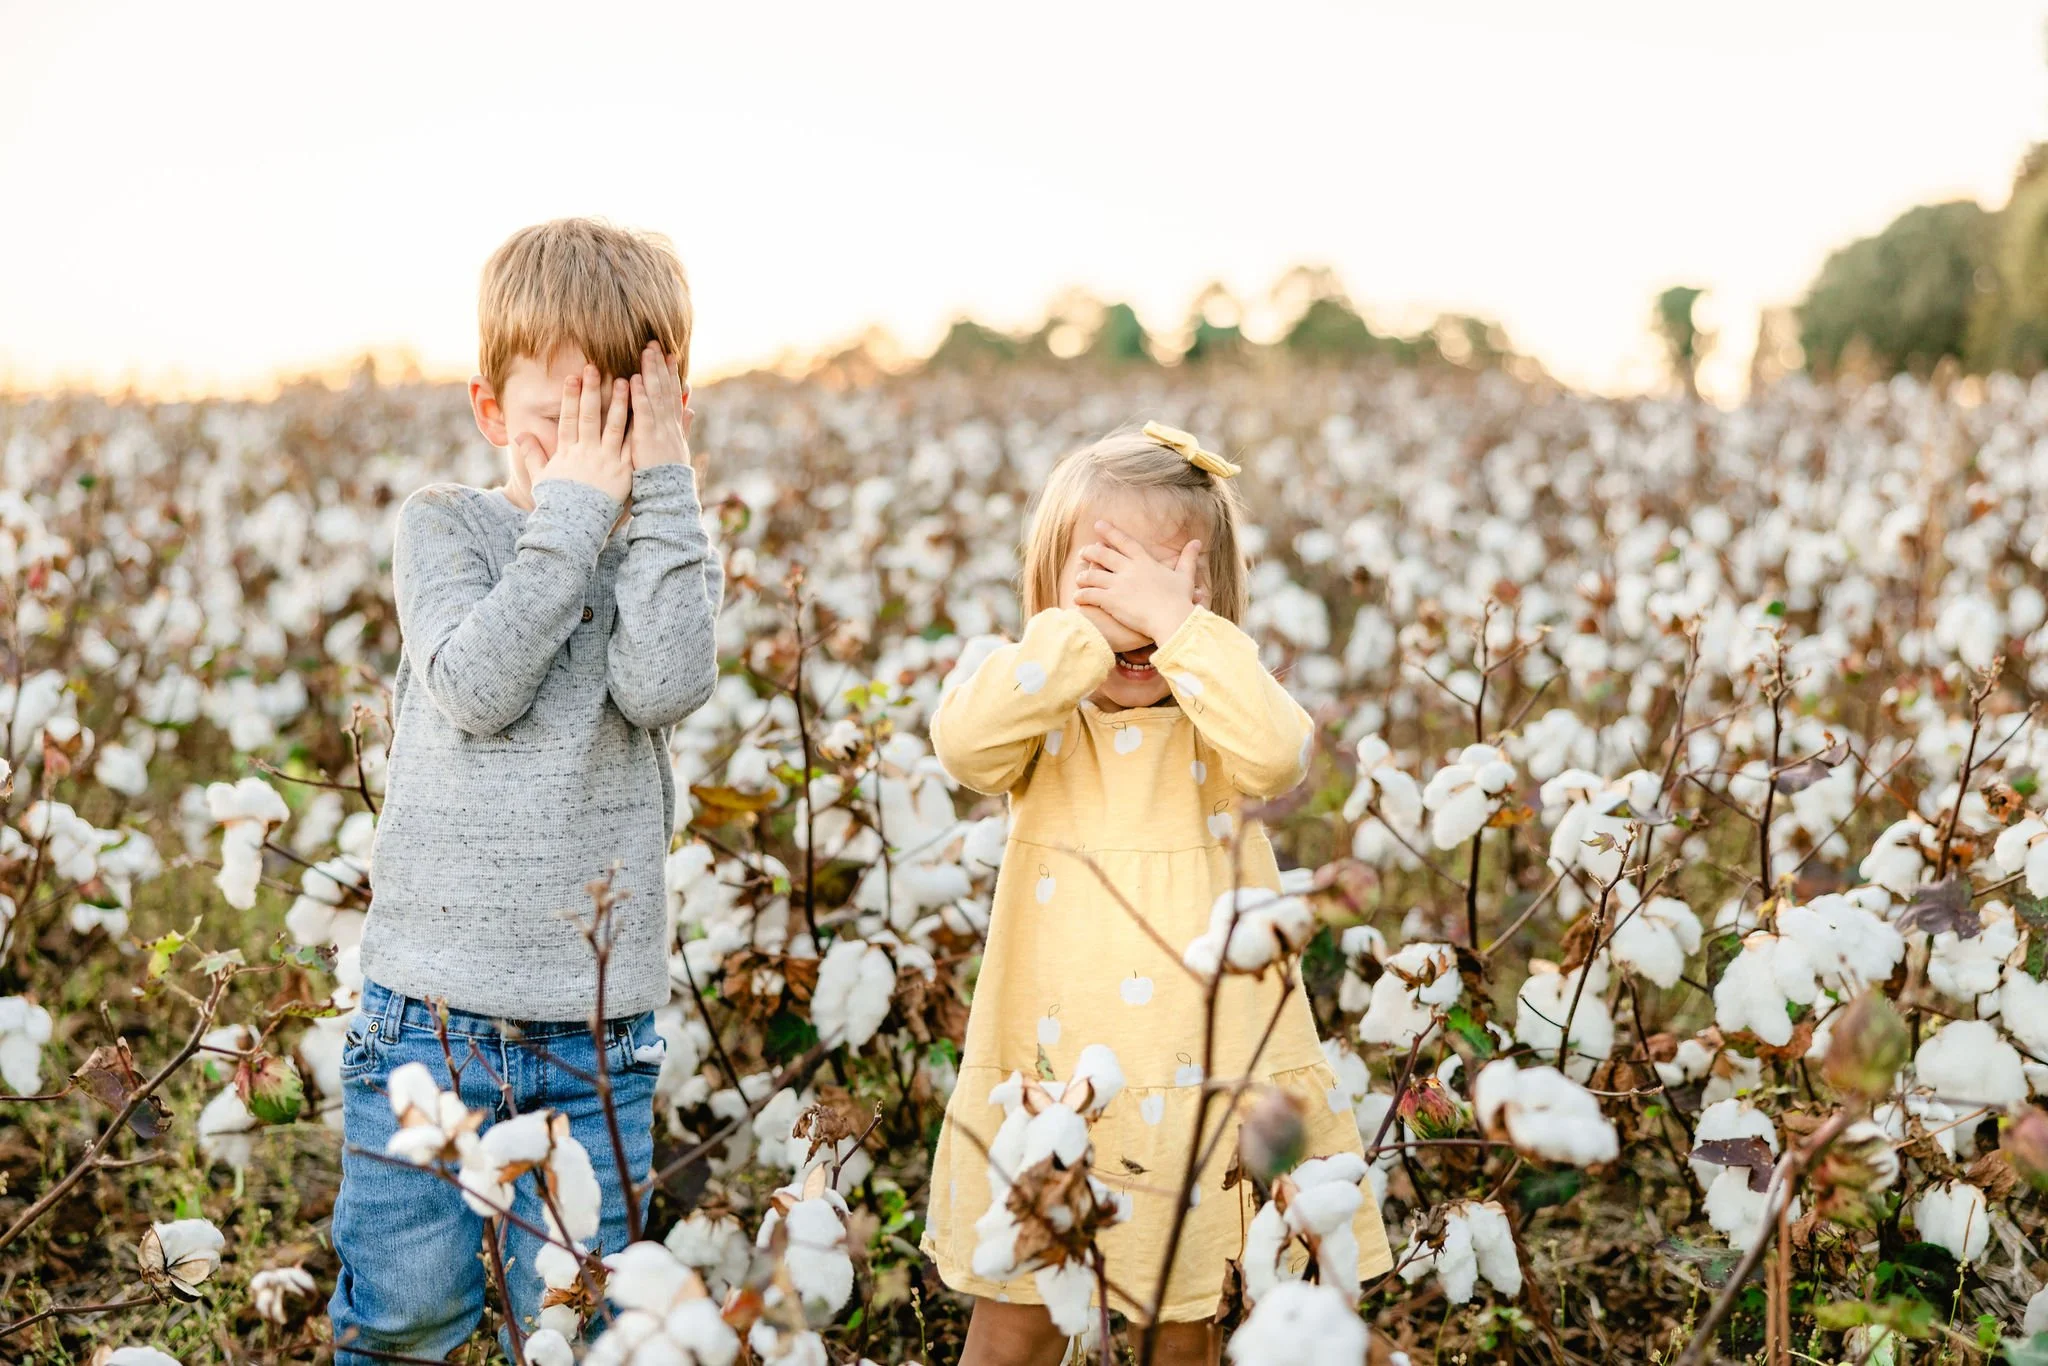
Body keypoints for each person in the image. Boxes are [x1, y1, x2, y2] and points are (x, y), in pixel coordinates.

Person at [329, 218, 721, 1361]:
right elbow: (475, 683)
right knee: (407, 1314)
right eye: (557, 421)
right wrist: (572, 514)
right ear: (490, 411)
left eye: (619, 419)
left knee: (572, 1319)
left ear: (667, 412)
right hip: (426, 1020)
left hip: (593, 1037)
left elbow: (661, 684)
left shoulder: (663, 548)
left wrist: (658, 502)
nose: (585, 448)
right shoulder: (445, 526)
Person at [922, 422, 1392, 1364]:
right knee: (1012, 1319)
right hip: (1051, 1080)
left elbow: (1281, 751)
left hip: (1201, 1085)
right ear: (1053, 596)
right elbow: (962, 747)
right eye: (1104, 576)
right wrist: (1071, 641)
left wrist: (1183, 637)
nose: (1132, 618)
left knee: (1190, 1323)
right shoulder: (1040, 720)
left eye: (1163, 583)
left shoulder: (1219, 726)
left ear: (1208, 600)